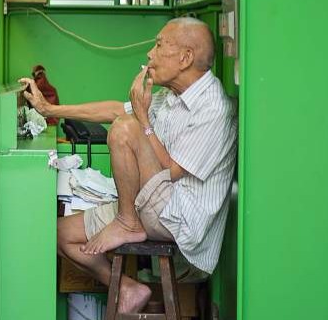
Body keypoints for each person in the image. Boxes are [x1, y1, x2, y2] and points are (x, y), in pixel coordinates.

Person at [21, 17, 236, 315]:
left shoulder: (214, 107)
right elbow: (113, 110)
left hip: (180, 220)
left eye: (160, 45)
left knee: (125, 129)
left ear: (186, 58)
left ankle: (126, 222)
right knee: (59, 235)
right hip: (149, 204)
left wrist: (143, 121)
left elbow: (172, 171)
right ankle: (125, 287)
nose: (150, 53)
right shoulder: (172, 96)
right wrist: (49, 109)